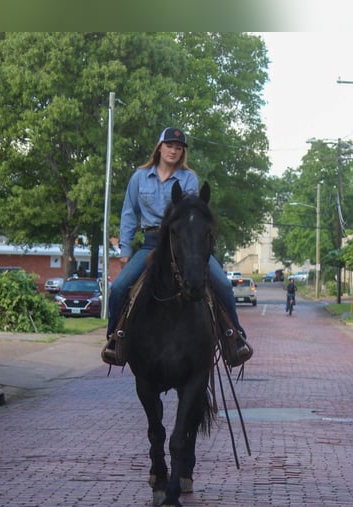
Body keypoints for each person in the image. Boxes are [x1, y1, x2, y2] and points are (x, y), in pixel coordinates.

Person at [102, 127, 251, 367]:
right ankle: (115, 339)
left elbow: (190, 213)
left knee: (222, 283)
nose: (174, 151)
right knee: (119, 288)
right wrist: (125, 250)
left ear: (182, 152)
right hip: (151, 241)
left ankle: (234, 338)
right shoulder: (139, 177)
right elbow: (129, 213)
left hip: (182, 242)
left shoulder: (188, 178)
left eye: (178, 148)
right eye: (170, 146)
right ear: (159, 147)